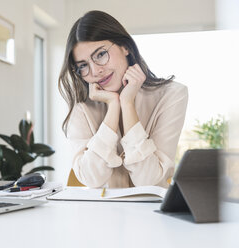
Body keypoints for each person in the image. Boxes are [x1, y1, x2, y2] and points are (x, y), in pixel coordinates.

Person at [58, 10, 188, 188]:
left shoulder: (172, 95)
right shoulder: (80, 106)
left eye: (101, 55)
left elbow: (149, 180)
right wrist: (113, 106)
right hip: (101, 213)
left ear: (125, 47)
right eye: (83, 66)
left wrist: (127, 104)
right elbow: (91, 178)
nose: (95, 71)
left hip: (152, 212)